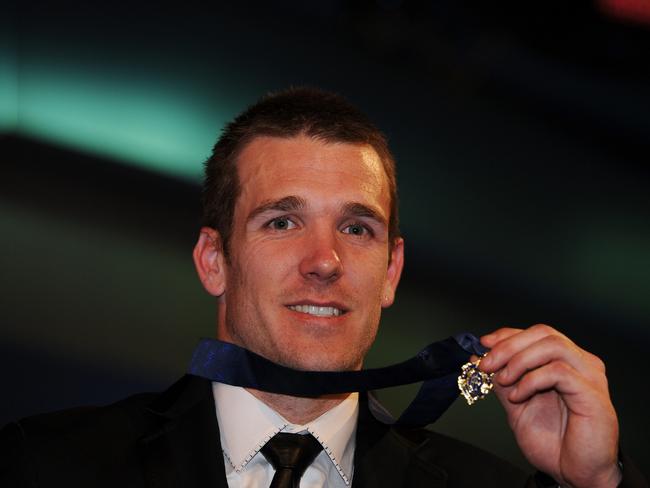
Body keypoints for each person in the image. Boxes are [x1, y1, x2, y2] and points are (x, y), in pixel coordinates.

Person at [0, 88, 646, 488]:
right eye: (282, 221)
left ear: (390, 272)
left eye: (357, 229)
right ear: (214, 259)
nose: (325, 260)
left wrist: (596, 483)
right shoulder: (46, 464)